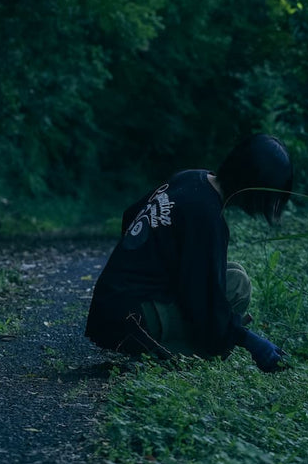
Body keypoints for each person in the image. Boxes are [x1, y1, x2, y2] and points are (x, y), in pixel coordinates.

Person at [85, 134, 293, 372]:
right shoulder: (206, 216)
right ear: (255, 186)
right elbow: (204, 304)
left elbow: (131, 214)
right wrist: (247, 339)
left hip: (109, 306)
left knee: (234, 274)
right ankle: (165, 359)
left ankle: (159, 346)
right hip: (126, 320)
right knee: (237, 288)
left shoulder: (192, 178)